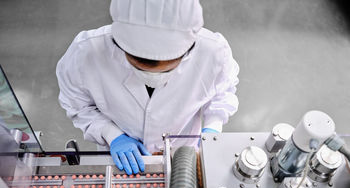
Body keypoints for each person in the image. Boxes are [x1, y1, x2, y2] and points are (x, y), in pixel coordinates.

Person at [56, 0, 239, 175]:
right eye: (139, 65)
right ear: (120, 44)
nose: (152, 76)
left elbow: (222, 93)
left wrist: (211, 132)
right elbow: (77, 105)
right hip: (121, 158)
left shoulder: (213, 52)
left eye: (166, 67)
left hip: (184, 153)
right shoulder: (85, 54)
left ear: (188, 49)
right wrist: (111, 134)